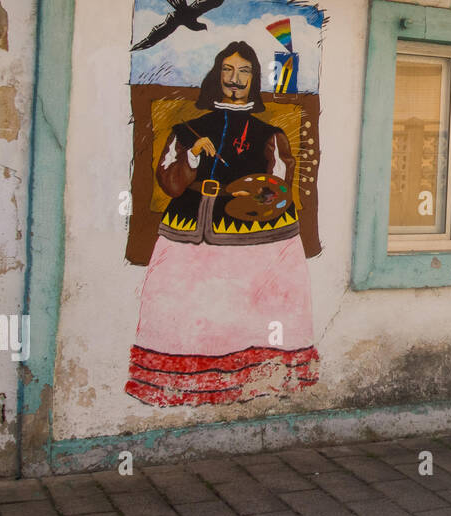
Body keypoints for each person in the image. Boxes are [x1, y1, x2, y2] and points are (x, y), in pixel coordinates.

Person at [126, 41, 318, 406]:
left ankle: (257, 381)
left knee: (252, 312)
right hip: (188, 232)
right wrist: (194, 155)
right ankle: (184, 385)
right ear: (216, 76)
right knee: (186, 311)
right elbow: (168, 182)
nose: (235, 79)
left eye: (244, 72)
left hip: (256, 241)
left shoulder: (268, 134)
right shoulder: (186, 131)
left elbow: (279, 188)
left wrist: (253, 199)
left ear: (253, 79)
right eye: (228, 71)